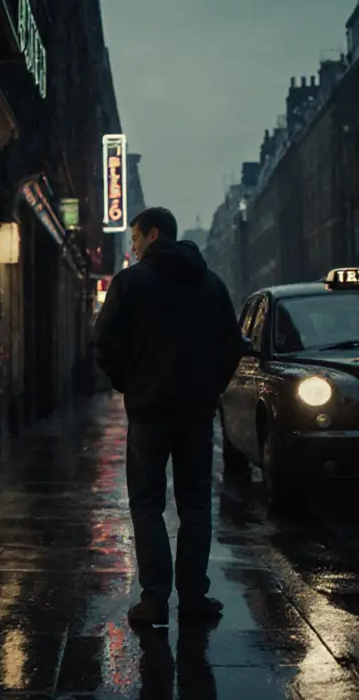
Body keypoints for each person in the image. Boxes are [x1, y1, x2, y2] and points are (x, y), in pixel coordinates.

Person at [93, 206, 244, 626]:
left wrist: (130, 381)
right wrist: (211, 386)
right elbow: (232, 345)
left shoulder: (130, 283)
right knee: (196, 504)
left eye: (137, 238)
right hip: (196, 412)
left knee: (146, 504)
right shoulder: (210, 284)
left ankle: (155, 598)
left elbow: (103, 342)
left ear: (154, 234)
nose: (134, 247)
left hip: (148, 412)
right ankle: (194, 596)